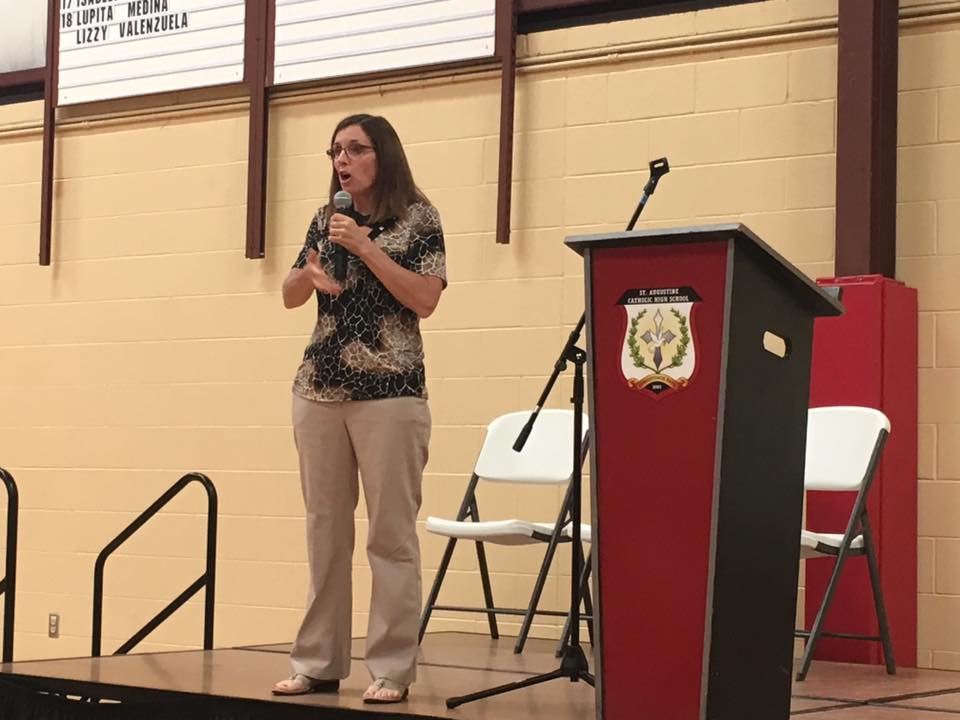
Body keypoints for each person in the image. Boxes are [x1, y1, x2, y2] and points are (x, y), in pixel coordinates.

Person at [272, 114, 446, 704]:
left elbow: (424, 299)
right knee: (325, 532)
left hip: (390, 394)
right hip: (319, 389)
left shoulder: (418, 217)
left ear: (383, 156)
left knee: (390, 536)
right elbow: (290, 294)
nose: (341, 160)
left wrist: (366, 248)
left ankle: (391, 668)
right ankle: (319, 662)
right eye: (335, 151)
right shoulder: (327, 219)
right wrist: (310, 274)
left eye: (355, 149)